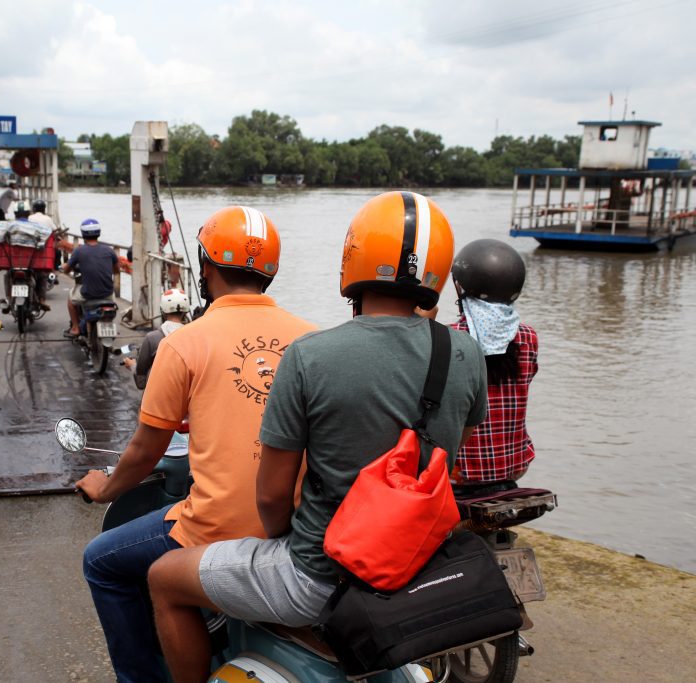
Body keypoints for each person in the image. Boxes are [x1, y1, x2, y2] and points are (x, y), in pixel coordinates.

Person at [146, 191, 489, 683]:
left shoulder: (312, 356)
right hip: (416, 565)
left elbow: (270, 495)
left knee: (162, 579)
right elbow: (452, 458)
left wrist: (284, 537)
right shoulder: (467, 354)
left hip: (316, 576)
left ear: (353, 261)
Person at [75, 206, 316, 683]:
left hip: (217, 526)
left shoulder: (184, 342)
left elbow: (145, 451)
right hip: (298, 525)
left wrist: (105, 489)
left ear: (205, 266)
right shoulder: (311, 338)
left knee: (100, 561)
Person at [448, 238, 538, 485]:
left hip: (461, 473)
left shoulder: (448, 339)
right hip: (513, 466)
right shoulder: (529, 338)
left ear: (459, 287)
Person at [61, 219, 117, 339]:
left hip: (88, 294)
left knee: (71, 300)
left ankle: (75, 328)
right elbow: (116, 271)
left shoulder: (79, 251)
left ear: (83, 234)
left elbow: (66, 269)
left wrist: (63, 267)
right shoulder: (109, 250)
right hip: (108, 294)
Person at [123, 288, 189, 391]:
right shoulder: (195, 337)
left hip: (161, 401)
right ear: (185, 311)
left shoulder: (152, 338)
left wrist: (132, 365)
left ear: (163, 311)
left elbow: (141, 382)